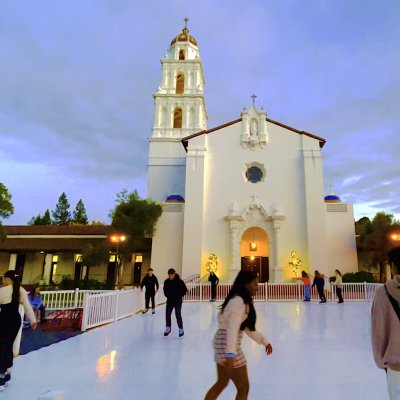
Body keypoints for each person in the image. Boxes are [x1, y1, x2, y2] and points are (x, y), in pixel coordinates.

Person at [204, 270, 273, 400]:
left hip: (223, 341)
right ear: (246, 284)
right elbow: (233, 327)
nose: (257, 288)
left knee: (222, 382)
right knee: (243, 386)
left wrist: (264, 341)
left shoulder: (240, 300)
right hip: (228, 342)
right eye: (255, 284)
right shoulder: (239, 302)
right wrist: (230, 354)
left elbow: (246, 328)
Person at [0, 270, 37, 391]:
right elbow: (27, 306)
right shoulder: (21, 290)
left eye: (3, 278)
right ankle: (7, 373)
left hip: (4, 321)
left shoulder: (2, 290)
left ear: (7, 279)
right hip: (15, 321)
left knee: (2, 346)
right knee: (8, 345)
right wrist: (33, 320)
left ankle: (1, 375)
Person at [371, 262, 400, 400]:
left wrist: (381, 361)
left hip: (395, 365)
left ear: (393, 266)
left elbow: (378, 333)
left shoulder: (383, 294)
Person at [163, 268, 187, 337]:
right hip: (170, 301)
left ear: (174, 274)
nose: (171, 276)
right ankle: (168, 327)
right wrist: (167, 295)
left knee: (178, 314)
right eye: (169, 275)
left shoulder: (179, 281)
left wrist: (179, 295)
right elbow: (165, 290)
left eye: (172, 275)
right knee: (167, 314)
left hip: (178, 301)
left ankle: (180, 329)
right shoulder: (166, 282)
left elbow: (184, 290)